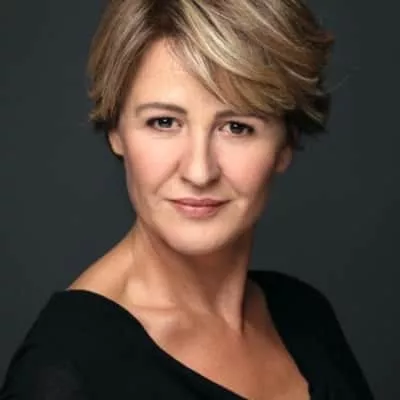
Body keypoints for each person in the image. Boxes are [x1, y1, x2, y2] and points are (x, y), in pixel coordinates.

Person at [0, 0, 374, 399]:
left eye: (237, 127)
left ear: (286, 142)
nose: (199, 171)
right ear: (115, 130)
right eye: (164, 122)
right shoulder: (66, 372)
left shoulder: (304, 315)